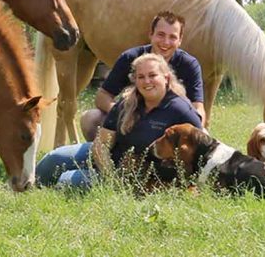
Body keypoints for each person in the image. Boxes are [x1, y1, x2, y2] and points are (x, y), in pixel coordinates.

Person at [35, 53, 203, 188]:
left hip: (138, 174)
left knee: (69, 181)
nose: (147, 81)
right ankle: (30, 185)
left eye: (153, 75)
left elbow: (202, 146)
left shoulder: (180, 110)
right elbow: (101, 145)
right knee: (53, 158)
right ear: (135, 80)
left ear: (166, 78)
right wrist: (110, 177)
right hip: (109, 160)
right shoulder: (128, 103)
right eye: (141, 77)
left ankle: (60, 187)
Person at [79, 11, 205, 142]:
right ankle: (99, 156)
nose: (166, 42)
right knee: (90, 118)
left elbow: (198, 106)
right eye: (161, 35)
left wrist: (195, 124)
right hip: (131, 121)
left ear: (180, 40)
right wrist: (122, 114)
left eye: (172, 37)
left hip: (170, 124)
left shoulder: (189, 64)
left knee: (203, 133)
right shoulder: (130, 58)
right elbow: (102, 96)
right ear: (151, 34)